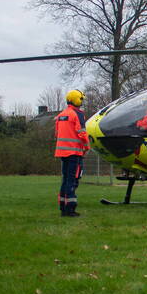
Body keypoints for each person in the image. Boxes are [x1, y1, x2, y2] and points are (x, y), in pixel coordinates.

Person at [54, 89, 89, 217]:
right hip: (74, 152)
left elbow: (57, 134)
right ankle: (70, 208)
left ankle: (63, 207)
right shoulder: (78, 114)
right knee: (73, 179)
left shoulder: (61, 115)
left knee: (65, 180)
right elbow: (82, 133)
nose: (82, 101)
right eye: (81, 99)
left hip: (62, 153)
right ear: (77, 100)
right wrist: (86, 147)